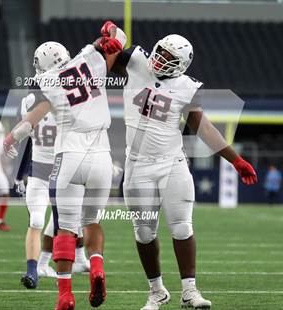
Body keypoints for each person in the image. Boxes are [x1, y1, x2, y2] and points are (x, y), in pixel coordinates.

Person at [107, 33, 257, 309]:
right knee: (143, 233)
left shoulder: (187, 87)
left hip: (172, 164)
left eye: (168, 57)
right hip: (138, 165)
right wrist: (109, 41)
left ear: (181, 65)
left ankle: (190, 291)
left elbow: (202, 127)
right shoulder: (136, 61)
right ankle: (157, 291)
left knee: (182, 226)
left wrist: (235, 159)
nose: (160, 58)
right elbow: (104, 61)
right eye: (160, 51)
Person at [4, 22, 126, 309]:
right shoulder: (88, 59)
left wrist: (11, 137)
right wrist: (108, 34)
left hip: (68, 156)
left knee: (64, 230)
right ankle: (96, 267)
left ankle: (65, 295)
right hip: (101, 156)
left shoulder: (48, 82)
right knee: (92, 222)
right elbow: (117, 39)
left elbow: (32, 120)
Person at [15, 67, 90, 289]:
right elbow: (28, 137)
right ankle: (33, 271)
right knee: (38, 220)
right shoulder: (32, 100)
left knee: (67, 221)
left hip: (64, 168)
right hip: (39, 169)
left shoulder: (70, 98)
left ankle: (65, 263)